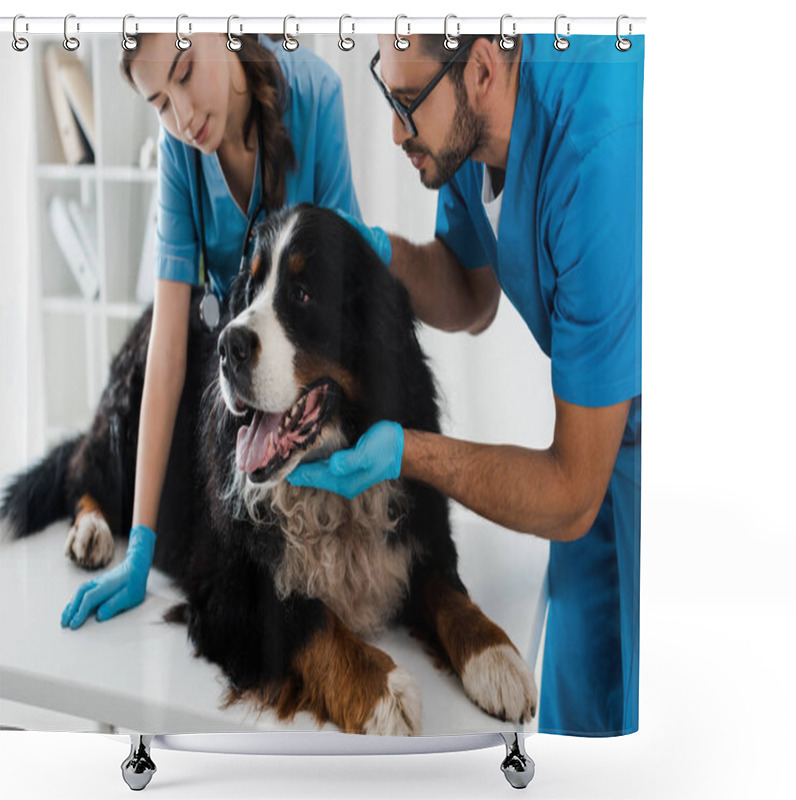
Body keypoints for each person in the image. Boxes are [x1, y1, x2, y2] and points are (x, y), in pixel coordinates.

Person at [287, 33, 643, 737]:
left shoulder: (598, 154)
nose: (394, 131)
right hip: (600, 435)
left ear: (480, 67)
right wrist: (379, 253)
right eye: (386, 95)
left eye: (406, 104)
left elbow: (572, 494)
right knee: (576, 702)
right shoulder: (464, 135)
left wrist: (406, 455)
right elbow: (468, 291)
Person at [61, 33, 361, 630]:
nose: (184, 115)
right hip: (238, 370)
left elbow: (348, 299)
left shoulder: (318, 94)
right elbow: (169, 347)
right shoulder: (179, 150)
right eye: (158, 103)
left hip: (301, 372)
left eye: (184, 70)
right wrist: (141, 545)